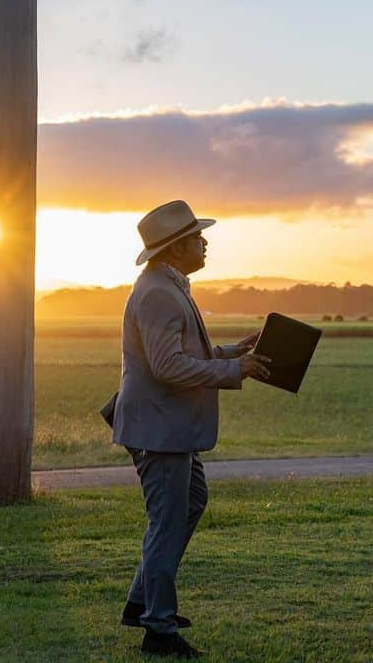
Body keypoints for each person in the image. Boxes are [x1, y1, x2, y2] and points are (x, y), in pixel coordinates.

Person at [113, 199, 272, 659]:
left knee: (190, 503)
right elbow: (168, 367)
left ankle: (143, 601)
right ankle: (158, 629)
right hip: (160, 431)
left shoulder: (166, 285)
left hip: (167, 428)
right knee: (166, 523)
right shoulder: (160, 293)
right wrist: (234, 369)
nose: (205, 242)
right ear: (177, 247)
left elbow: (182, 351)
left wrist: (228, 352)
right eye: (198, 237)